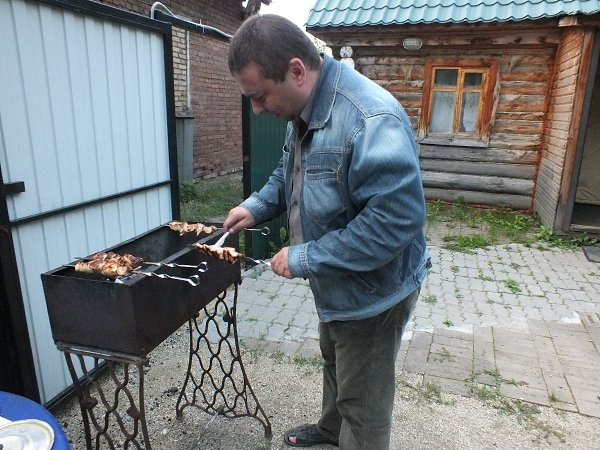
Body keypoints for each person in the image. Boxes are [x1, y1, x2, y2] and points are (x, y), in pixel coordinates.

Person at [224, 14, 430, 450]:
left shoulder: (369, 118)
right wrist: (254, 207)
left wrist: (306, 256)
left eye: (259, 96)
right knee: (336, 359)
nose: (257, 109)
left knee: (364, 401)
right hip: (338, 284)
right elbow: (290, 171)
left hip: (374, 294)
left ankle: (353, 435)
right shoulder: (302, 109)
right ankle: (332, 432)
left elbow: (393, 223)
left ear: (297, 70)